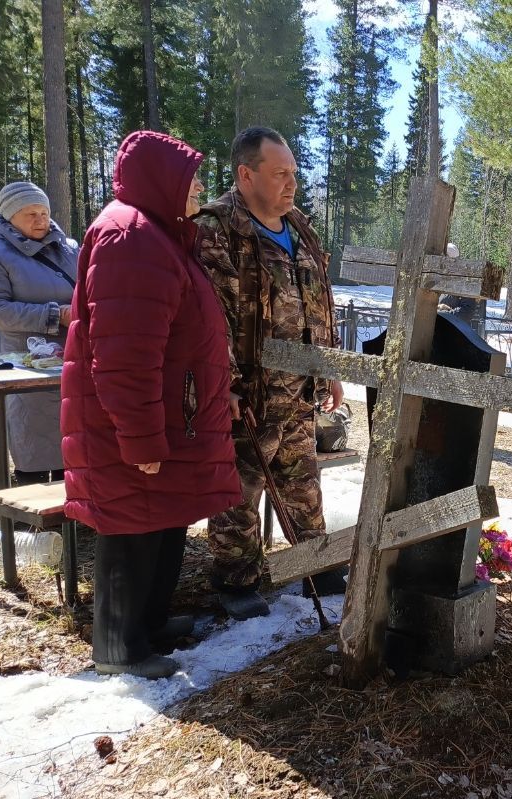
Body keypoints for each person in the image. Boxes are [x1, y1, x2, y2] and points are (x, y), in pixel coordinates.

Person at [61, 131, 240, 679]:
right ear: (162, 179)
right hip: (134, 426)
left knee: (161, 519)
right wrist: (139, 438)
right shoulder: (130, 237)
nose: (201, 190)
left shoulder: (158, 235)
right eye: (191, 179)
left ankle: (150, 625)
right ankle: (117, 646)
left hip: (169, 417)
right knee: (130, 526)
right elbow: (124, 356)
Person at [195, 127, 345, 620]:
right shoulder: (218, 229)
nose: (291, 184)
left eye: (294, 174)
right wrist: (226, 386)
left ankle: (316, 565)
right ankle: (235, 580)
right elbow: (211, 319)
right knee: (240, 488)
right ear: (245, 174)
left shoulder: (298, 225)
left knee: (303, 483)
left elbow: (318, 301)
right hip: (250, 390)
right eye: (279, 174)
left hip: (299, 390)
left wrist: (330, 368)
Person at [0, 181, 78, 484]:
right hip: (25, 361)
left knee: (75, 437)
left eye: (44, 212)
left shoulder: (68, 247)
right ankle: (35, 521)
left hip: (74, 355)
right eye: (31, 214)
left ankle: (75, 516)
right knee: (34, 439)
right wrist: (58, 315)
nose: (41, 220)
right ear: (9, 216)